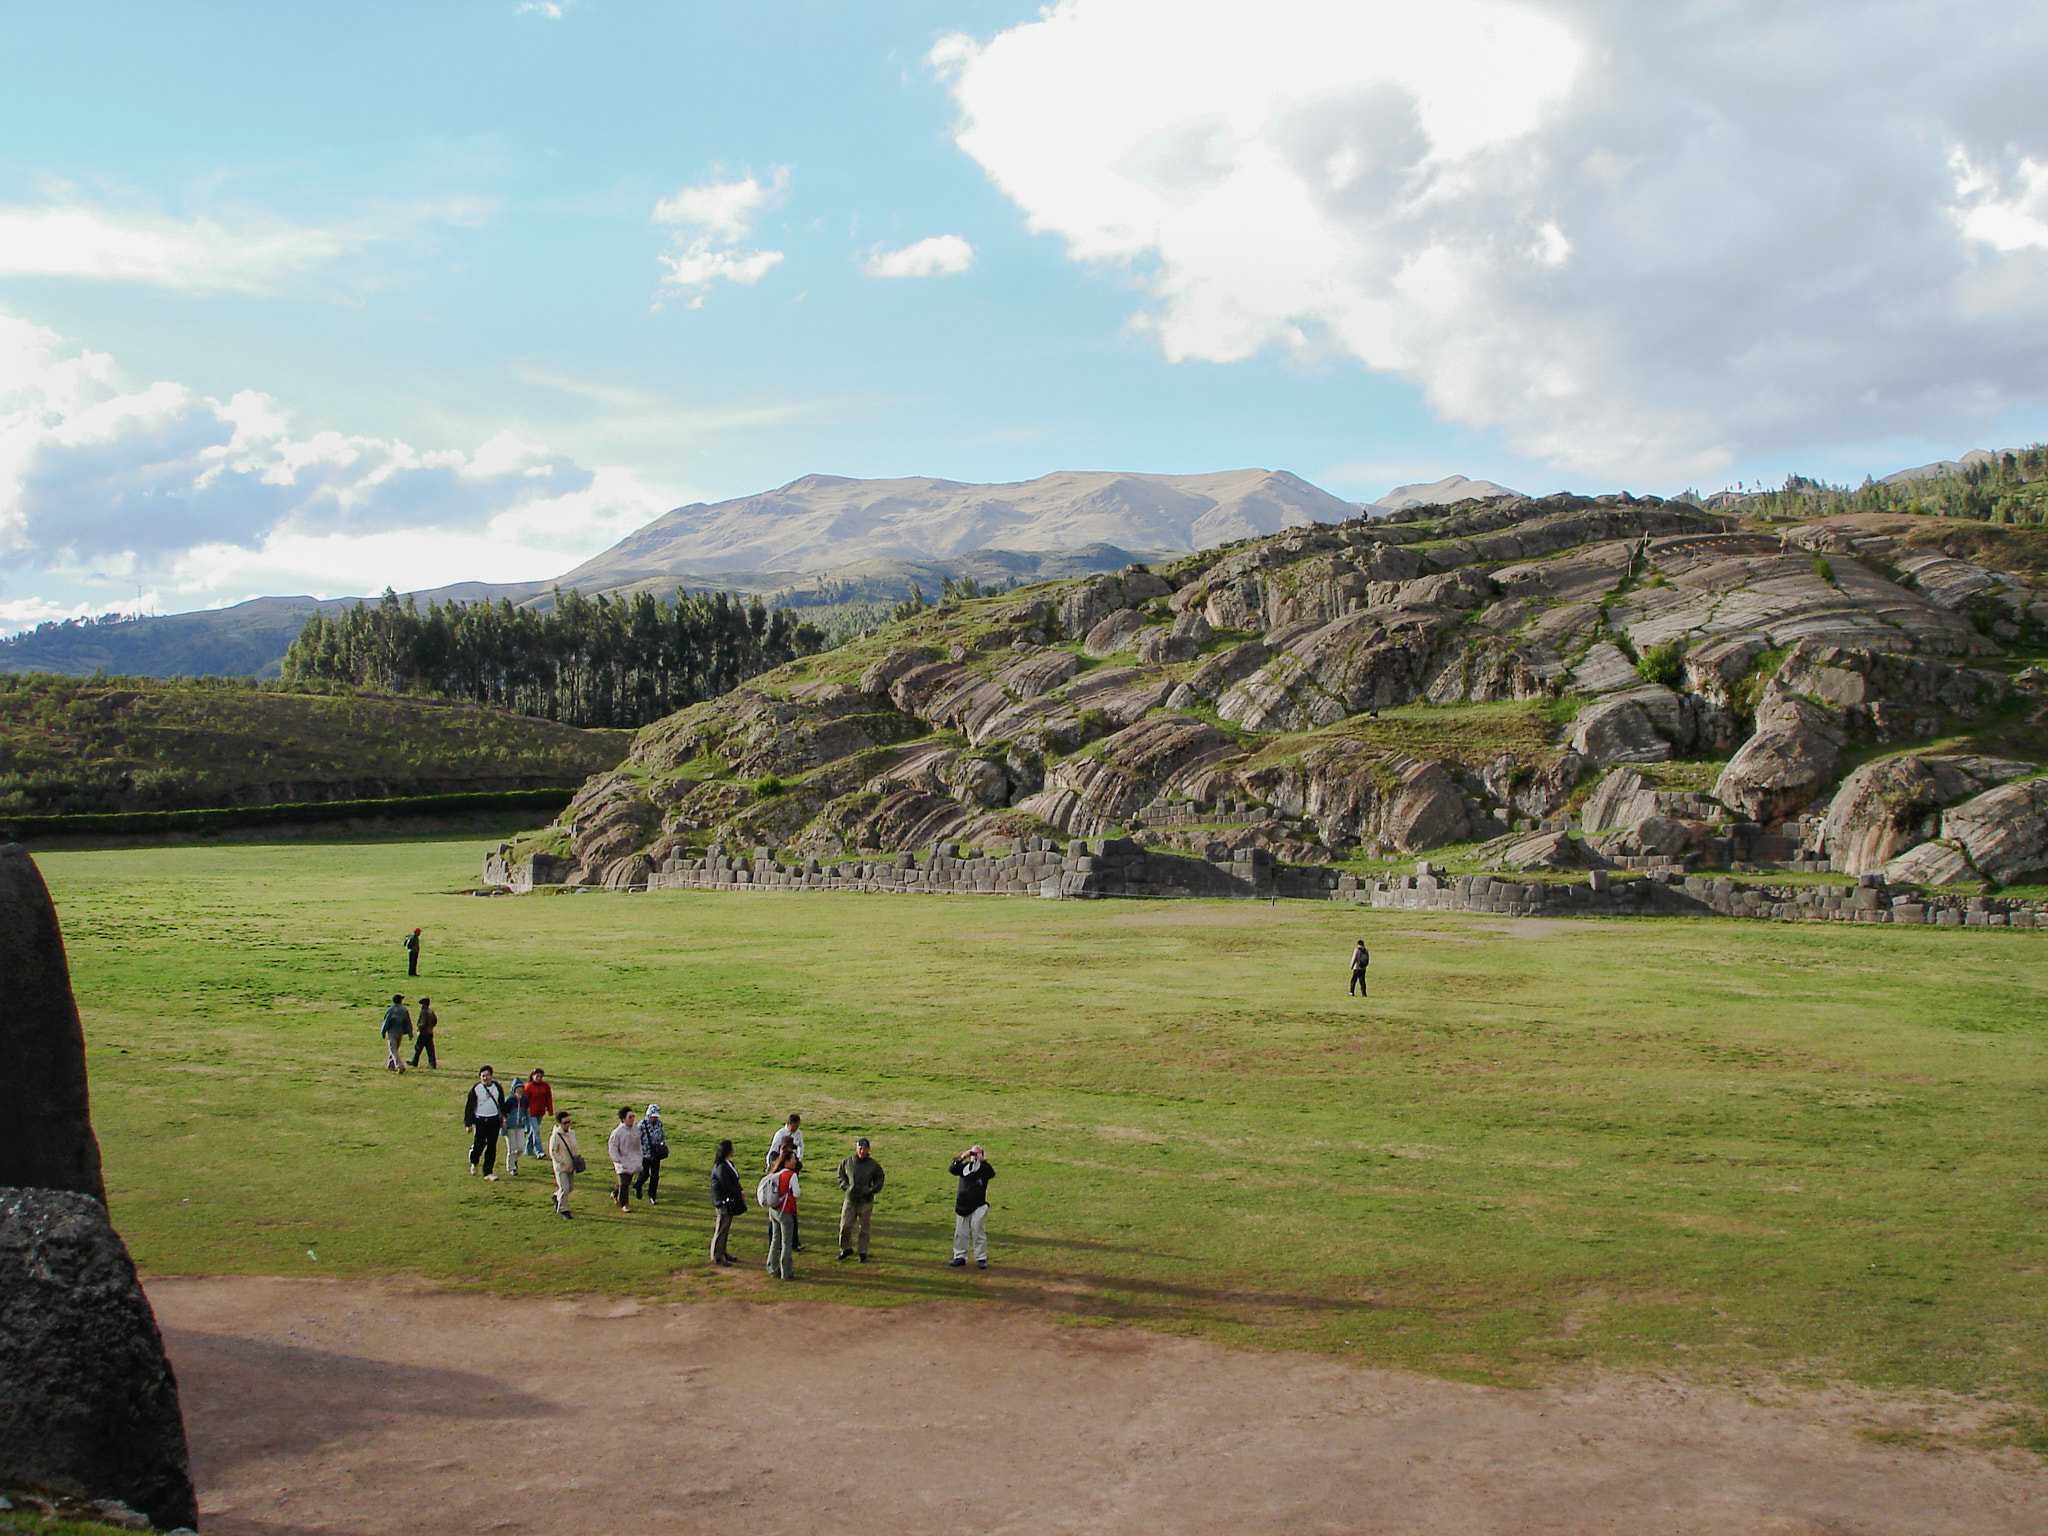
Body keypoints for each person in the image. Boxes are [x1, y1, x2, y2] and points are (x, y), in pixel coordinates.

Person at [836, 1136, 885, 1262]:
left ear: (868, 1150)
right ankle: (845, 1249)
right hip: (850, 1199)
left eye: (864, 1149)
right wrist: (846, 1186)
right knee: (845, 1226)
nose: (862, 1151)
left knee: (864, 1228)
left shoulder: (873, 1165)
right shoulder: (848, 1162)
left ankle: (863, 1252)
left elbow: (880, 1178)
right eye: (860, 1148)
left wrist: (872, 1189)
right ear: (856, 1148)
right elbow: (840, 1174)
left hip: (866, 1201)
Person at [947, 1144, 996, 1269]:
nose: (974, 1156)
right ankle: (959, 1256)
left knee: (977, 1229)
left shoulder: (984, 1169)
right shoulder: (964, 1167)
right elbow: (952, 1169)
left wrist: (982, 1160)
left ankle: (981, 1257)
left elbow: (991, 1173)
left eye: (977, 1154)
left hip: (978, 1205)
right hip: (963, 1204)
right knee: (961, 1232)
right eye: (973, 1154)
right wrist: (962, 1157)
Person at [766, 1114, 806, 1251]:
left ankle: (793, 1242)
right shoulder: (780, 1135)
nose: (796, 1128)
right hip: (780, 1197)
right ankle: (775, 1243)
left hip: (785, 1198)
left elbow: (801, 1147)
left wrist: (799, 1159)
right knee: (777, 1220)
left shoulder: (798, 1136)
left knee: (786, 1218)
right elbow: (772, 1151)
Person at [760, 1147, 799, 1280]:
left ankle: (772, 1267)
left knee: (775, 1240)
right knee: (786, 1242)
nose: (795, 1162)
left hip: (774, 1211)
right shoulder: (791, 1175)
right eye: (793, 1159)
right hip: (785, 1211)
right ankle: (786, 1271)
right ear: (787, 1161)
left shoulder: (776, 1174)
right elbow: (797, 1193)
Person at [463, 1066, 507, 1179]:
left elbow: (501, 1104)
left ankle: (488, 1172)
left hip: (494, 1121)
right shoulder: (476, 1089)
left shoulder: (497, 1087)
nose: (485, 1078)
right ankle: (474, 1161)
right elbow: (470, 1107)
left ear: (491, 1076)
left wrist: (504, 1119)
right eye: (483, 1076)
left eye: (487, 1075)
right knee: (479, 1144)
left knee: (492, 1146)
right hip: (480, 1121)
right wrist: (468, 1124)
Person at [709, 1139, 744, 1266]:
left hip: (727, 1201)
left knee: (725, 1228)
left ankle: (723, 1252)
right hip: (723, 1202)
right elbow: (727, 1185)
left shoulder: (727, 1164)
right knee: (721, 1229)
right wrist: (738, 1193)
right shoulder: (721, 1168)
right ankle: (717, 1256)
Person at [607, 1106, 642, 1214]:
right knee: (624, 1182)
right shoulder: (617, 1133)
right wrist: (618, 1160)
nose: (632, 1119)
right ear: (623, 1119)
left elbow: (638, 1145)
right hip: (622, 1161)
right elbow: (612, 1148)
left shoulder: (636, 1129)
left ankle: (615, 1193)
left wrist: (639, 1157)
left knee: (626, 1181)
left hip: (633, 1160)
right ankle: (624, 1204)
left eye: (633, 1116)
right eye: (630, 1117)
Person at [547, 1110, 580, 1220]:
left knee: (569, 1188)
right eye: (565, 1123)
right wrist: (561, 1161)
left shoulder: (572, 1133)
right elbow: (553, 1151)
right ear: (559, 1124)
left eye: (568, 1122)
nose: (567, 1124)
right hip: (561, 1167)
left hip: (570, 1166)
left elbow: (574, 1147)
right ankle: (562, 1209)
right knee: (565, 1188)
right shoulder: (556, 1136)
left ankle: (556, 1196)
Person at [634, 1104, 669, 1204]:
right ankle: (638, 1185)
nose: (655, 1118)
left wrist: (661, 1145)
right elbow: (637, 1139)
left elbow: (662, 1135)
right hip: (644, 1155)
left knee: (655, 1176)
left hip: (655, 1154)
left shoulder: (659, 1124)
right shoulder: (641, 1125)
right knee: (644, 1174)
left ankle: (652, 1196)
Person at [522, 1070, 553, 1158]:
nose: (539, 1078)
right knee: (536, 1131)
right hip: (531, 1112)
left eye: (540, 1076)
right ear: (532, 1076)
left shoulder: (545, 1086)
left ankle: (528, 1150)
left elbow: (548, 1098)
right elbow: (524, 1100)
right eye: (537, 1076)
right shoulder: (529, 1087)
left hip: (540, 1111)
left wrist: (550, 1110)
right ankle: (539, 1151)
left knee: (533, 1131)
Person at [502, 1075, 528, 1177]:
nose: (520, 1090)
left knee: (521, 1148)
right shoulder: (509, 1100)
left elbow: (526, 1113)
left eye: (521, 1088)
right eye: (518, 1088)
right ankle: (512, 1167)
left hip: (520, 1127)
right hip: (510, 1127)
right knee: (512, 1148)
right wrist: (504, 1125)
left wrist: (526, 1124)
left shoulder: (525, 1100)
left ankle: (513, 1160)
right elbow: (504, 1114)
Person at [379, 994, 412, 1073]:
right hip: (400, 1032)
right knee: (395, 1049)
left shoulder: (391, 1010)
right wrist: (410, 1033)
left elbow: (386, 1022)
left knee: (393, 1049)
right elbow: (408, 1022)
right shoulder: (404, 1010)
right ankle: (391, 1065)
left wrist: (383, 1032)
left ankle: (400, 1066)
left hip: (392, 1032)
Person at [409, 997, 438, 1069]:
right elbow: (435, 1021)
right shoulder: (431, 1011)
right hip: (430, 1032)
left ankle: (414, 1061)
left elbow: (423, 1023)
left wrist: (419, 1028)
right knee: (430, 1049)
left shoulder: (423, 1012)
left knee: (418, 1048)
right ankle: (432, 1064)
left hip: (423, 1033)